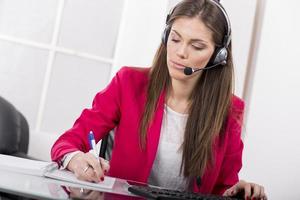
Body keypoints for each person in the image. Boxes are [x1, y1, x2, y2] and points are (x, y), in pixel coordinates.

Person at [51, 0, 267, 199]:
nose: (180, 52)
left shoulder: (230, 110)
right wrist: (75, 159)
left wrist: (237, 191)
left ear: (218, 55)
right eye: (175, 38)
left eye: (197, 46)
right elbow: (66, 144)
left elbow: (221, 188)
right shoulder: (128, 83)